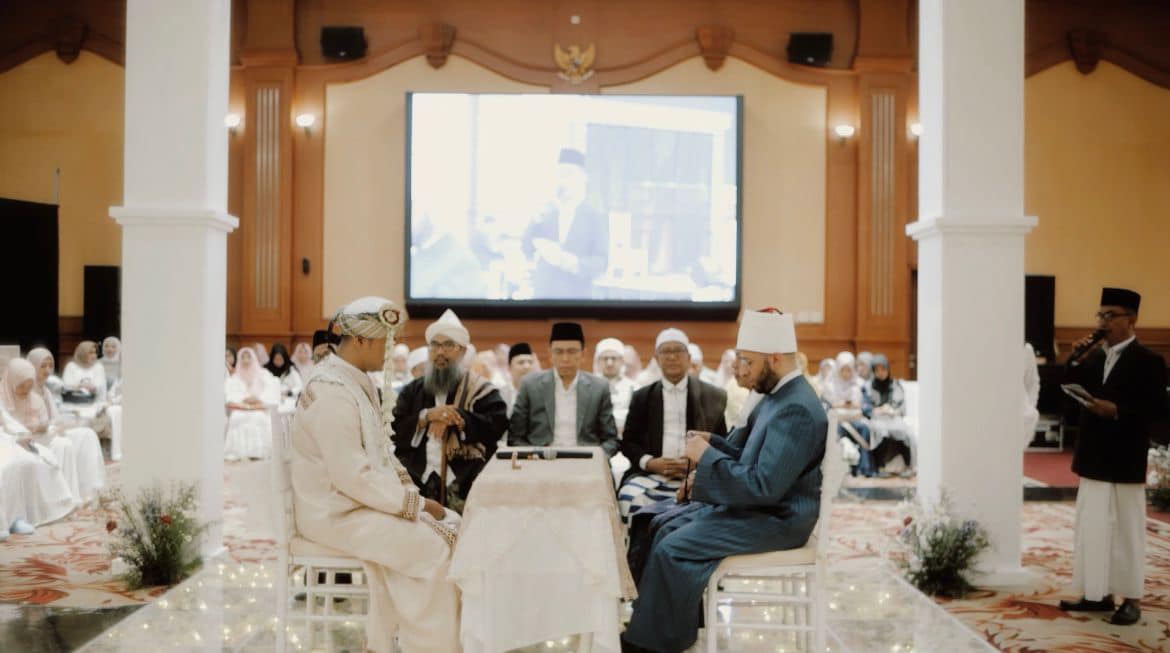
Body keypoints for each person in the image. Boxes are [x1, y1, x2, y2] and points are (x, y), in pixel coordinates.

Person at [621, 309, 827, 653]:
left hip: (780, 519)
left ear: (775, 358)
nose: (742, 370)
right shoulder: (778, 396)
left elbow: (763, 486)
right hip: (764, 508)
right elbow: (748, 456)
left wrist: (706, 457)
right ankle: (655, 628)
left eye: (748, 361)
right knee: (659, 524)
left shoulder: (796, 408)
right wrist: (713, 443)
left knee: (673, 548)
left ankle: (656, 643)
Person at [290, 296, 460, 653]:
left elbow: (382, 455)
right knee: (434, 548)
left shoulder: (354, 381)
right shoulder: (331, 390)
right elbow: (351, 475)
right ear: (361, 340)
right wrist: (414, 506)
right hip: (334, 512)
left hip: (357, 503)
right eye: (387, 341)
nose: (391, 350)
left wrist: (413, 499)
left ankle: (402, 642)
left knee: (451, 525)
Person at [1059, 288, 1168, 626]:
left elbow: (1157, 412)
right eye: (1100, 315)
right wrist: (1073, 360)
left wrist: (1117, 411)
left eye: (1110, 315)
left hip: (1124, 458)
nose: (1102, 322)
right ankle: (1098, 593)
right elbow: (1069, 395)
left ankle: (1131, 598)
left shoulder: (1149, 361)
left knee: (1126, 531)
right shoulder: (1093, 358)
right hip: (1093, 457)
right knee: (1091, 528)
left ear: (1131, 319)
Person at [392, 310, 507, 511]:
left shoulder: (481, 390)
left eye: (448, 345)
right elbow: (395, 428)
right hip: (417, 477)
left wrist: (458, 418)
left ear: (462, 351)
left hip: (466, 478)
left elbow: (496, 426)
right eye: (434, 345)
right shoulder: (412, 391)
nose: (440, 352)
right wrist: (426, 416)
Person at [618, 328, 727, 520]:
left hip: (697, 476)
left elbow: (721, 441)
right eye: (666, 351)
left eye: (678, 350)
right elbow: (628, 442)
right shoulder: (642, 397)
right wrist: (651, 463)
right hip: (651, 475)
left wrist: (697, 464)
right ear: (656, 358)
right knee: (629, 497)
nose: (672, 357)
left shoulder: (713, 396)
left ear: (689, 357)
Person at [508, 322, 618, 456]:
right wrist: (532, 456)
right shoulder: (530, 385)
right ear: (550, 354)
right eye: (559, 352)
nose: (565, 359)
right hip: (541, 459)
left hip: (586, 458)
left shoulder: (599, 387)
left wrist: (598, 458)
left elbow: (611, 439)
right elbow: (515, 437)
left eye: (572, 351)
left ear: (583, 354)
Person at [1, 358, 100, 505]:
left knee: (64, 444)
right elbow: (5, 428)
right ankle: (52, 499)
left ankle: (68, 496)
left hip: (37, 438)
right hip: (13, 443)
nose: (26, 391)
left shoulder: (35, 398)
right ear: (12, 382)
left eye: (29, 387)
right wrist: (19, 436)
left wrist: (41, 426)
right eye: (21, 387)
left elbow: (46, 421)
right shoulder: (2, 400)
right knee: (54, 448)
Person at [521, 148, 609, 299]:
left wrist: (570, 262)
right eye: (560, 175)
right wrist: (536, 218)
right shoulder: (547, 213)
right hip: (543, 297)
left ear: (583, 178)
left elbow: (601, 262)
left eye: (569, 174)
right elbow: (526, 248)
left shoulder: (595, 217)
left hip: (575, 298)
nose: (563, 181)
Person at [26, 348, 107, 500]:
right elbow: (30, 423)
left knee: (87, 434)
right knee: (63, 443)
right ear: (32, 366)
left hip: (52, 431)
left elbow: (55, 418)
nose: (48, 370)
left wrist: (60, 425)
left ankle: (89, 490)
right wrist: (53, 427)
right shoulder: (26, 390)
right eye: (43, 366)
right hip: (38, 437)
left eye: (50, 366)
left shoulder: (45, 390)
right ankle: (65, 497)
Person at [0, 409, 75, 530]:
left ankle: (20, 517)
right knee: (8, 465)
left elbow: (6, 425)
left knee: (28, 460)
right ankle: (6, 521)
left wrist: (18, 437)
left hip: (4, 439)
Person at [822, 351, 875, 477]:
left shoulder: (859, 384)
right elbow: (826, 406)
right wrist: (840, 405)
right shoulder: (829, 385)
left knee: (864, 430)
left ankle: (864, 468)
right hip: (837, 421)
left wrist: (854, 405)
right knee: (834, 433)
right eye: (843, 370)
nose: (846, 374)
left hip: (855, 418)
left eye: (849, 370)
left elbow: (865, 406)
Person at [861, 354, 914, 475]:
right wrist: (878, 410)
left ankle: (907, 466)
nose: (880, 373)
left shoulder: (895, 385)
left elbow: (901, 406)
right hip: (876, 419)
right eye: (877, 370)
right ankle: (880, 466)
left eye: (883, 369)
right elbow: (865, 408)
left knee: (903, 431)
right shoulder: (868, 386)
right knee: (881, 432)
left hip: (892, 417)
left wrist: (892, 410)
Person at [223, 348, 280, 461]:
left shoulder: (264, 374)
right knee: (237, 418)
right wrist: (244, 399)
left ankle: (258, 452)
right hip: (241, 407)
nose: (246, 360)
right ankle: (239, 452)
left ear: (253, 358)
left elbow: (272, 389)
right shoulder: (235, 377)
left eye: (248, 357)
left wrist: (258, 399)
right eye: (243, 357)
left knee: (259, 418)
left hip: (260, 407)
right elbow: (230, 395)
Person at [595, 337, 638, 431]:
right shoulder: (590, 387)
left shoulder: (634, 387)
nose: (609, 363)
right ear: (598, 361)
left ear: (622, 360)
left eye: (614, 358)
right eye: (605, 358)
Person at [499, 342, 535, 417]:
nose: (527, 366)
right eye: (521, 362)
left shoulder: (541, 393)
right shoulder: (500, 394)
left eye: (530, 362)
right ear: (509, 368)